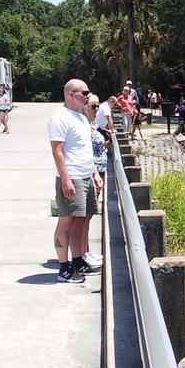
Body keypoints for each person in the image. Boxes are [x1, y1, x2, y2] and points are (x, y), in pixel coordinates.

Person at [49, 79, 103, 283]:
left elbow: (85, 150)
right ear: (71, 94)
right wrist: (65, 179)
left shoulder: (81, 117)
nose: (88, 96)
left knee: (82, 219)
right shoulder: (59, 118)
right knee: (66, 220)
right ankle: (64, 267)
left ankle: (79, 260)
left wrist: (95, 173)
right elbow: (57, 151)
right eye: (84, 92)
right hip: (71, 177)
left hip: (85, 175)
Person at [82, 95, 107, 269]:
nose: (97, 109)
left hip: (100, 172)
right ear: (84, 107)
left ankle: (87, 250)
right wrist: (95, 174)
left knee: (89, 216)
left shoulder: (92, 125)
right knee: (85, 217)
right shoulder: (83, 126)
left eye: (98, 106)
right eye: (93, 106)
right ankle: (83, 253)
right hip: (93, 173)